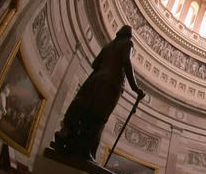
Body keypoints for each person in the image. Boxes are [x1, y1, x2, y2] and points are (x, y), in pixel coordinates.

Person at [52, 25, 145, 162]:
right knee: (99, 119)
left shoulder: (108, 46)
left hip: (95, 81)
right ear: (129, 36)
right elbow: (127, 62)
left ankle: (73, 143)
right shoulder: (128, 44)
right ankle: (86, 151)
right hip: (111, 85)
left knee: (86, 113)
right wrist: (135, 88)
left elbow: (95, 64)